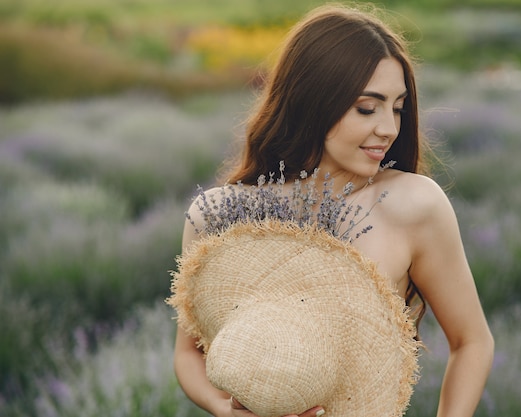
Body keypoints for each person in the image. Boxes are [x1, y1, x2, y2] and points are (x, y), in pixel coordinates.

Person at [173, 4, 494, 417]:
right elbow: (188, 354)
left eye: (397, 107)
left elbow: (472, 342)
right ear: (313, 101)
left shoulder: (414, 206)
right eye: (367, 108)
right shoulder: (217, 215)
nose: (389, 129)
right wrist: (225, 409)